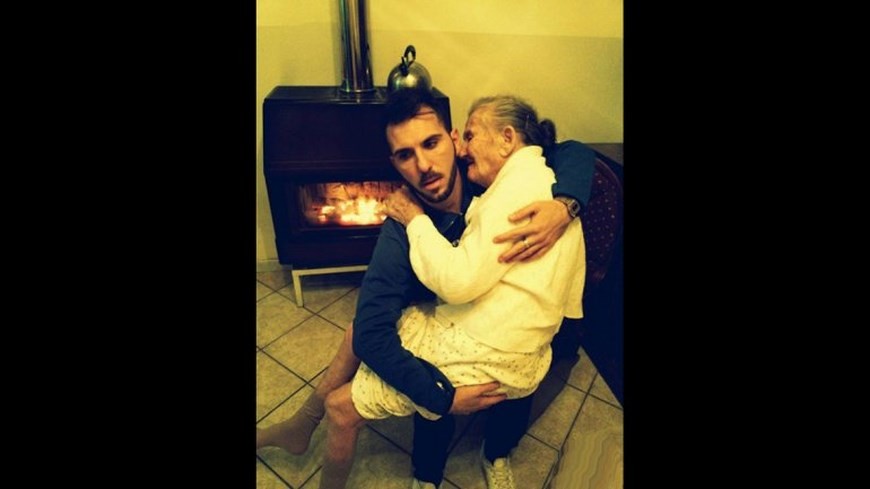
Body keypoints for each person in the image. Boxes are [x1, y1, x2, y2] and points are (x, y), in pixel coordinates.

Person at [256, 89, 595, 489]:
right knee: (372, 342)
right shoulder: (399, 230)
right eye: (405, 155)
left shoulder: (491, 176)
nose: (423, 165)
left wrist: (565, 205)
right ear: (394, 164)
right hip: (448, 321)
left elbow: (572, 150)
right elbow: (371, 333)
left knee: (515, 382)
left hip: (513, 331)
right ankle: (411, 467)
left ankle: (495, 454)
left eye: (431, 143)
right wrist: (444, 399)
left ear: (454, 141)